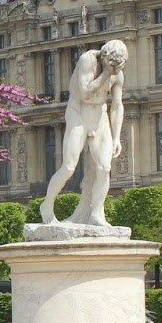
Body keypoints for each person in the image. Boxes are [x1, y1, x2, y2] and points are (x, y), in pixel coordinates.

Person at [39, 40, 127, 226]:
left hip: (99, 115)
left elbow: (117, 106)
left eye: (117, 66)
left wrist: (116, 136)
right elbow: (85, 92)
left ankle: (96, 213)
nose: (114, 69)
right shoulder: (87, 60)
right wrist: (106, 74)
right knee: (69, 167)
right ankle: (47, 205)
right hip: (78, 113)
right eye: (110, 64)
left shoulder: (117, 72)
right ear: (103, 57)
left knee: (104, 168)